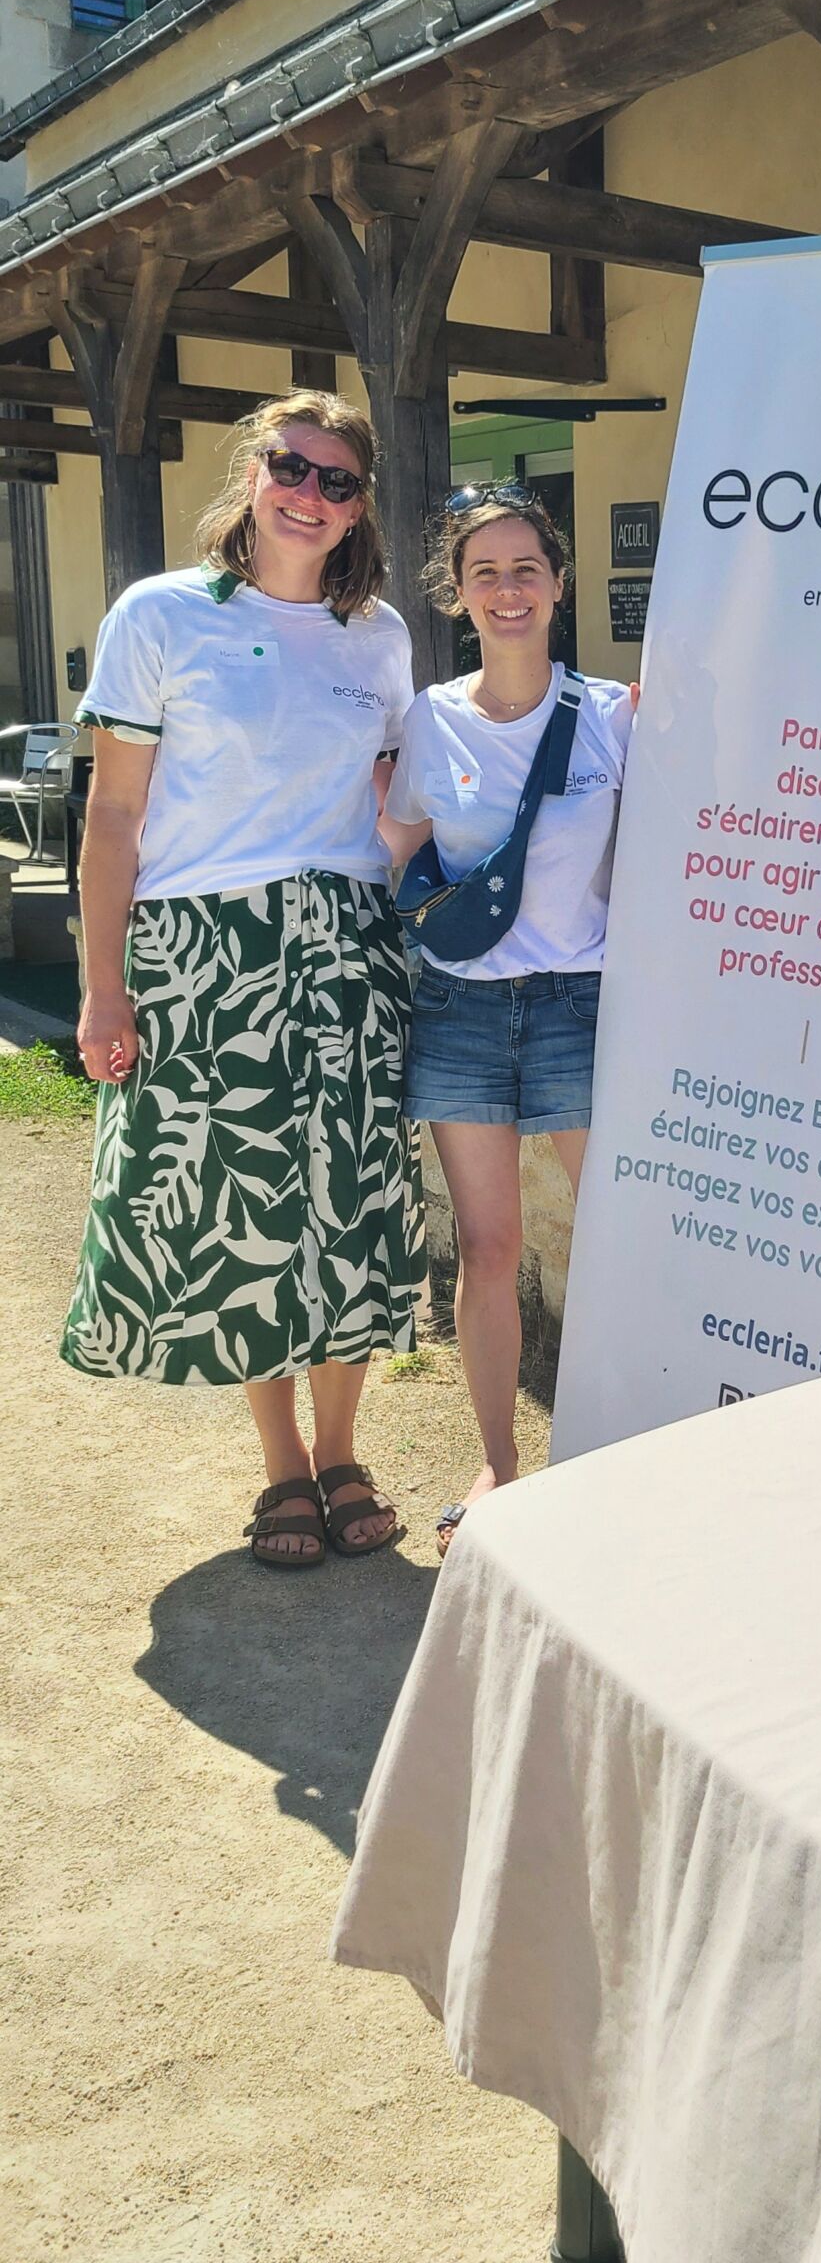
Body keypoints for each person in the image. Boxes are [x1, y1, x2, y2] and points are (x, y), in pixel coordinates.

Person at [65, 392, 418, 1567]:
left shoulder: (379, 636)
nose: (310, 496)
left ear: (361, 506)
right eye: (293, 468)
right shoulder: (163, 615)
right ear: (255, 473)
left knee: (349, 1204)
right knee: (241, 1210)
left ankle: (342, 1446)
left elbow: (389, 806)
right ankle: (281, 1465)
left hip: (348, 947)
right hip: (204, 953)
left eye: (338, 482)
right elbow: (112, 817)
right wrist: (103, 987)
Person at [383, 484, 636, 1554]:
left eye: (526, 567)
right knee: (487, 1250)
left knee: (619, 1242)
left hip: (583, 1001)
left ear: (559, 583)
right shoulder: (429, 719)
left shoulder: (616, 714)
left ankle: (621, 1454)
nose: (508, 588)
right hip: (463, 1007)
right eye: (484, 572)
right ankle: (498, 1461)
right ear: (459, 594)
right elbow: (398, 856)